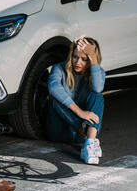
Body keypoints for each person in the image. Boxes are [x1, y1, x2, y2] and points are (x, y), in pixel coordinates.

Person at [45, 36, 105, 164]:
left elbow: (98, 88)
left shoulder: (98, 72)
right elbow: (53, 87)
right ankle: (88, 138)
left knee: (98, 95)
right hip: (58, 131)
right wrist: (80, 113)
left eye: (84, 59)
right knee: (56, 98)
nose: (78, 62)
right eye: (75, 57)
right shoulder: (59, 68)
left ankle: (89, 143)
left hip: (80, 136)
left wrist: (93, 58)